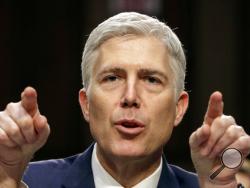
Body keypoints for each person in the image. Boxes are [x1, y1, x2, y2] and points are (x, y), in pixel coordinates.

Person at [0, 12, 249, 188]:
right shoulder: (27, 182)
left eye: (151, 80)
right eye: (112, 78)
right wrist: (7, 178)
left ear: (178, 108)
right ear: (86, 103)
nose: (130, 97)